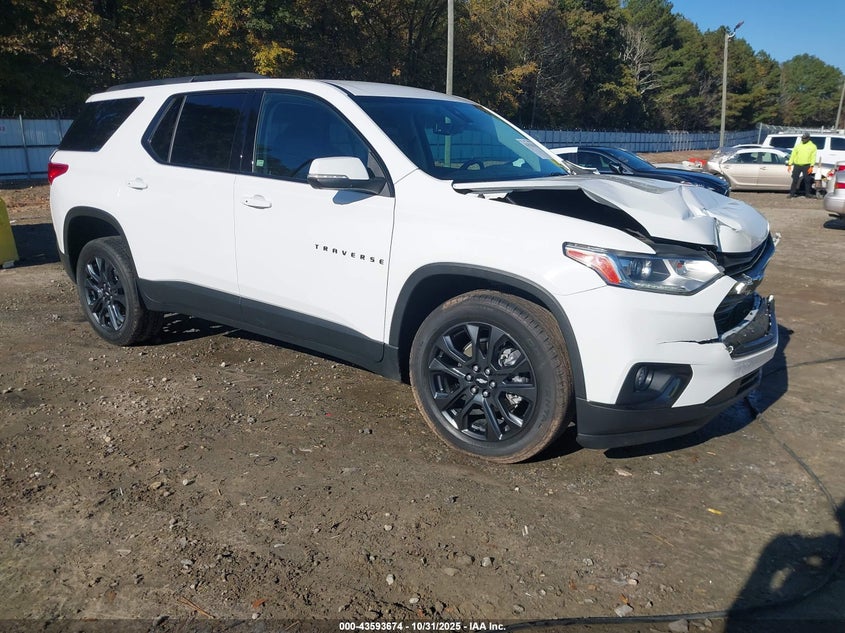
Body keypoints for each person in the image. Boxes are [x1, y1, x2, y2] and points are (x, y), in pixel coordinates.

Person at [787, 132, 817, 198]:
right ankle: (792, 194)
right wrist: (790, 164)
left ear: (808, 138)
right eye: (802, 138)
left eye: (805, 138)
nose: (803, 140)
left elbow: (813, 157)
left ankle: (808, 194)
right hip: (797, 165)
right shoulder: (798, 146)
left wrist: (811, 166)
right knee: (795, 179)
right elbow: (793, 155)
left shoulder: (813, 146)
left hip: (807, 165)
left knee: (807, 180)